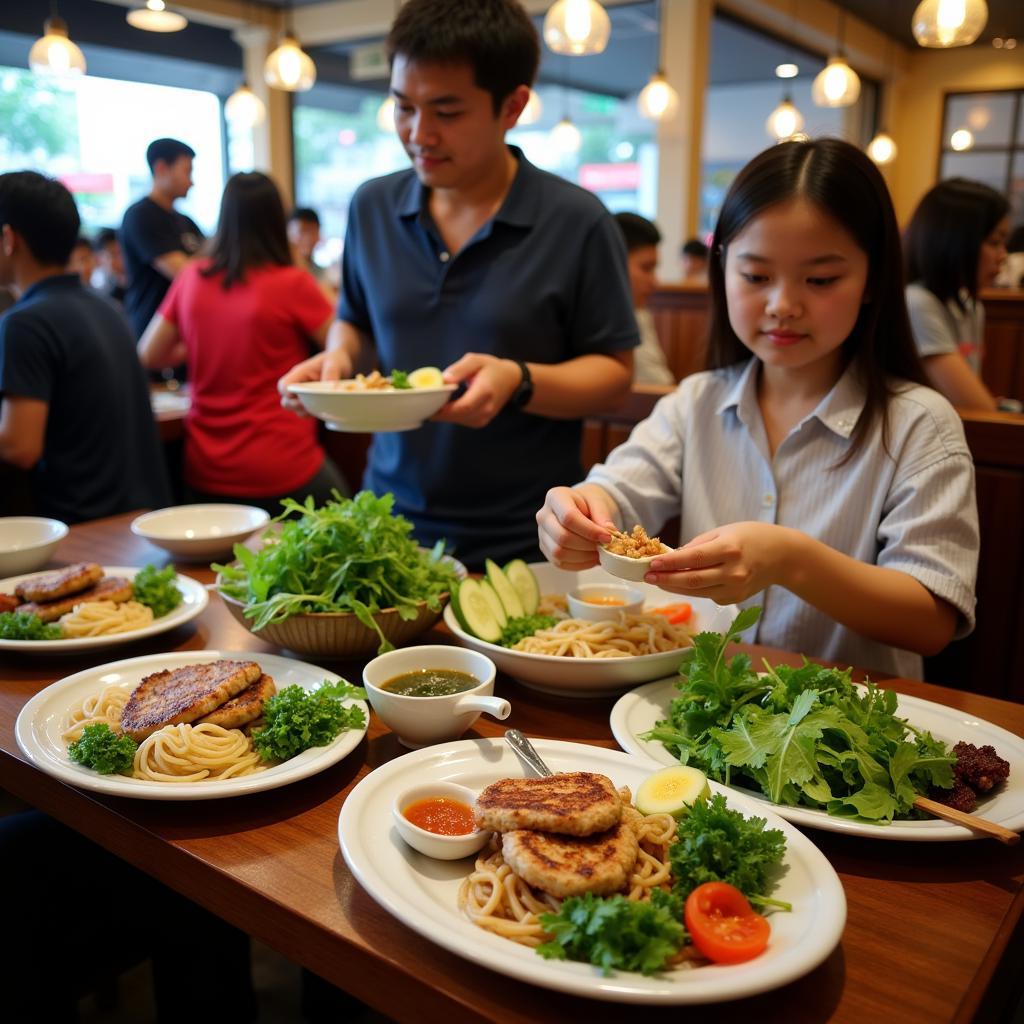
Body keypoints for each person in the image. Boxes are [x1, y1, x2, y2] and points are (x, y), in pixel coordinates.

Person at [537, 138, 979, 680]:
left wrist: (791, 560)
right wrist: (580, 510)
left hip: (853, 733)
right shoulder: (696, 402)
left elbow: (930, 622)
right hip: (700, 718)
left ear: (872, 281)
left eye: (820, 279)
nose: (783, 305)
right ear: (723, 271)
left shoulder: (920, 425)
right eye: (756, 276)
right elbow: (620, 489)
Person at [279, 0, 637, 570]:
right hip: (387, 524)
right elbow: (356, 321)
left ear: (512, 106)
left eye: (446, 110)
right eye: (403, 107)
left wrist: (518, 380)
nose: (419, 134)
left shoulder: (577, 219)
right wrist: (337, 359)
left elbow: (616, 376)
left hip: (527, 537)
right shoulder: (373, 206)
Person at [138, 172, 345, 514]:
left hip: (206, 471)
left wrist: (207, 343)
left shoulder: (192, 277)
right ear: (277, 220)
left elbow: (149, 353)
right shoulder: (291, 282)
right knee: (350, 516)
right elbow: (343, 341)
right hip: (284, 467)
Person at [0, 171, 170, 523]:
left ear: (8, 239)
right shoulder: (106, 307)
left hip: (85, 532)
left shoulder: (24, 323)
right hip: (143, 519)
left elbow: (20, 446)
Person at [904, 178, 1009, 412]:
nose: (1003, 255)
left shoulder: (970, 305)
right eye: (994, 242)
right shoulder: (916, 303)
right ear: (954, 240)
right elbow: (978, 408)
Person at [120, 137, 203, 340]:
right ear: (161, 168)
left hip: (182, 329)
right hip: (151, 331)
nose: (191, 181)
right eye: (187, 171)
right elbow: (186, 274)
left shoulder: (186, 221)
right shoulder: (141, 215)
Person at [614, 212, 674, 387]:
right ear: (613, 262)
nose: (655, 282)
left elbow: (660, 382)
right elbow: (658, 386)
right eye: (646, 268)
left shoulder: (637, 312)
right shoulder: (618, 316)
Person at [94, 226, 127, 304]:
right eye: (113, 254)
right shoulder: (100, 290)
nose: (121, 259)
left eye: (122, 252)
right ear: (98, 259)